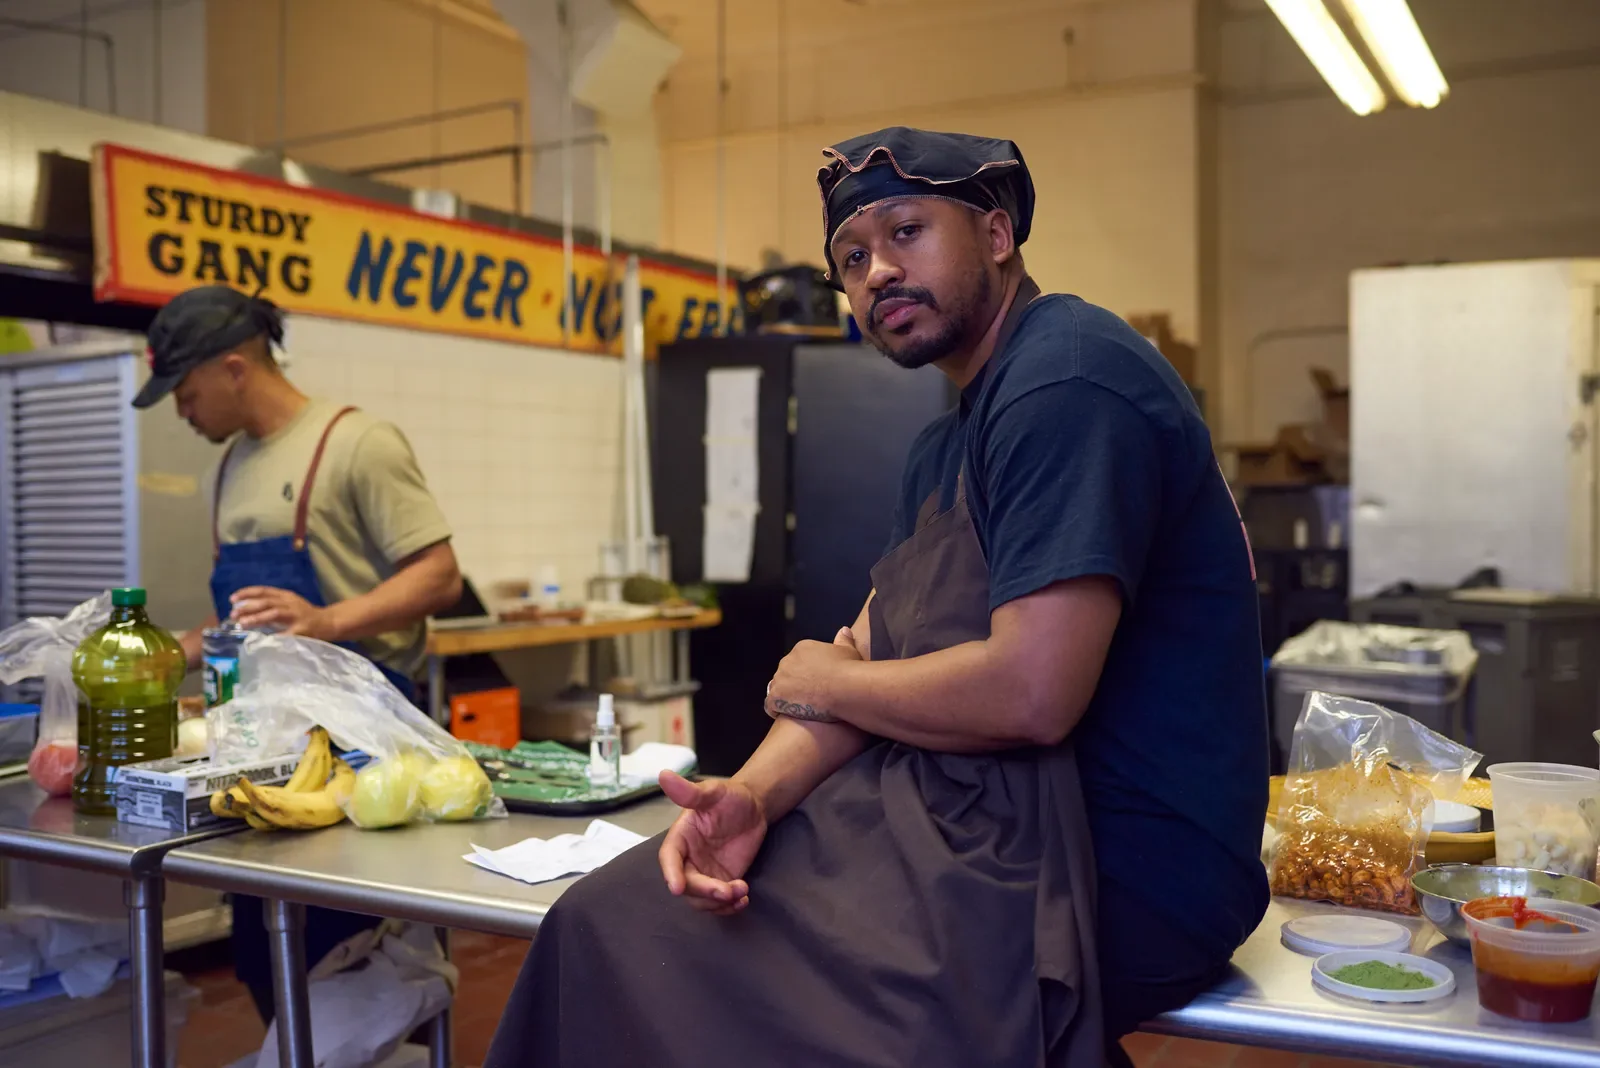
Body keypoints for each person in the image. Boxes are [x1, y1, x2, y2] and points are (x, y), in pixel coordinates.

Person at [484, 127, 1268, 1068]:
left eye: (906, 232)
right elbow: (865, 649)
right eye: (852, 259)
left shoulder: (1066, 379)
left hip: (1125, 860)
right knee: (613, 912)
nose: (878, 273)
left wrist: (824, 679)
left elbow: (1031, 691)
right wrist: (752, 796)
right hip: (982, 815)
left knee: (636, 942)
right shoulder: (944, 444)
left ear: (996, 234)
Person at [133, 285, 463, 1022]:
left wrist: (327, 620)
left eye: (185, 391)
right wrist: (169, 654)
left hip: (361, 742)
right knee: (260, 947)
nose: (181, 411)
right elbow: (246, 615)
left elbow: (440, 575)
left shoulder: (358, 444)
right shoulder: (229, 469)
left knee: (349, 945)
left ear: (234, 367)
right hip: (262, 742)